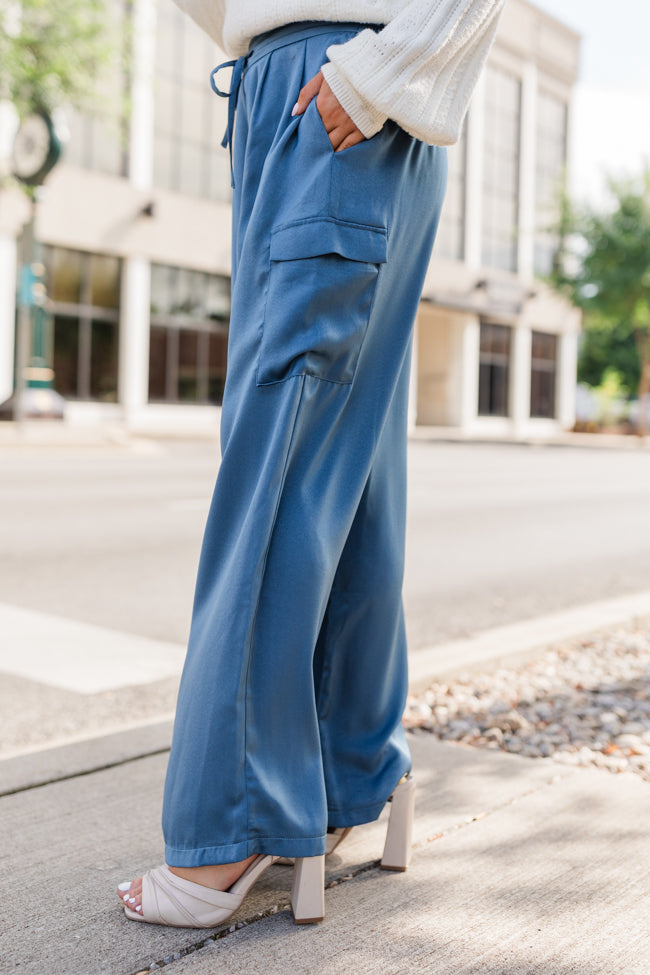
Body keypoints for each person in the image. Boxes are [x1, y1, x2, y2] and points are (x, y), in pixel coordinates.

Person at [118, 0, 504, 928]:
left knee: (275, 465)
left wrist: (373, 73)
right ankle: (348, 773)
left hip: (345, 81)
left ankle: (238, 820)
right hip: (303, 86)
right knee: (352, 473)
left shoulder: (356, 75)